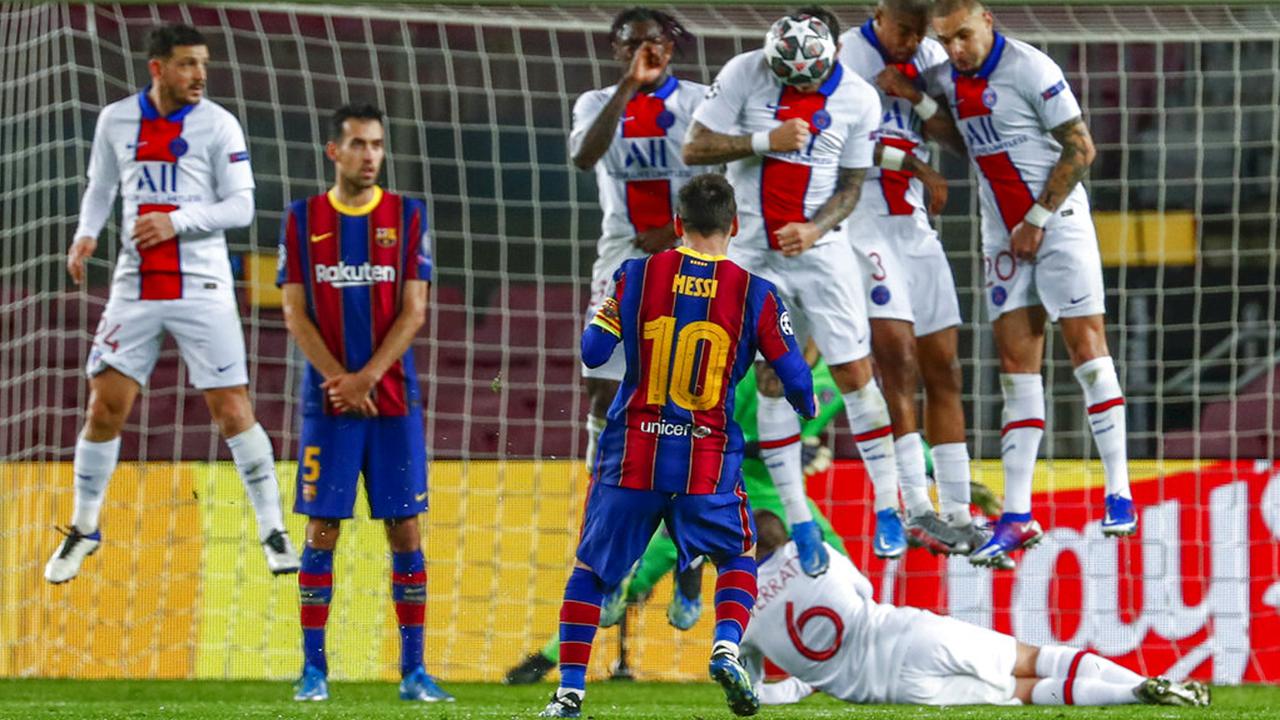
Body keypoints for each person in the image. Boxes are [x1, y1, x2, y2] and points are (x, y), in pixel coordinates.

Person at [538, 174, 815, 719]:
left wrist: (614, 311)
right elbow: (799, 384)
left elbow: (593, 352)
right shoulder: (755, 293)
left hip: (633, 452)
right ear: (734, 226)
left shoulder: (636, 274)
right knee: (737, 555)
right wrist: (800, 400)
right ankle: (725, 647)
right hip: (704, 459)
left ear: (679, 225)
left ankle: (570, 692)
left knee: (592, 571)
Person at [46, 23, 298, 584]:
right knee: (105, 406)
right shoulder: (115, 119)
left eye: (203, 64)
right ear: (157, 68)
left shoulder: (218, 124)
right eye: (187, 64)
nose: (200, 75)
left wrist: (175, 220)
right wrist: (87, 232)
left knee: (231, 409)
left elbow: (241, 209)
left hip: (202, 284)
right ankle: (85, 527)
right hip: (136, 283)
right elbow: (101, 185)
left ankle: (273, 528)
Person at [683, 7, 909, 572]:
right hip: (754, 251)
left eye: (807, 77)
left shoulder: (858, 98)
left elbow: (852, 187)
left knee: (857, 373)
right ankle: (800, 521)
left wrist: (815, 229)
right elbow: (694, 148)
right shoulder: (745, 71)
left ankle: (889, 507)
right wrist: (767, 138)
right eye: (787, 76)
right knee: (771, 379)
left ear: (830, 56)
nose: (797, 85)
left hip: (820, 251)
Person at [927, 0, 1137, 567]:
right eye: (945, 40)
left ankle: (1118, 490)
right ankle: (1017, 516)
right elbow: (966, 142)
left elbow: (1081, 148)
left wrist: (1037, 220)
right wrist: (920, 100)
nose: (955, 49)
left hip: (1058, 225)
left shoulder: (1031, 68)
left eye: (963, 36)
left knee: (1087, 352)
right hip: (1002, 240)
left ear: (987, 20)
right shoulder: (948, 75)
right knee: (1016, 371)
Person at [505, 359, 847, 686]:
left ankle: (856, 647)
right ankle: (549, 657)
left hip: (779, 492)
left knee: (837, 559)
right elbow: (712, 434)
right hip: (720, 482)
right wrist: (769, 449)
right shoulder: (747, 377)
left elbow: (874, 406)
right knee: (629, 579)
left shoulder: (834, 379)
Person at [278, 104, 450, 703]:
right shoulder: (302, 219)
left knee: (404, 529)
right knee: (323, 527)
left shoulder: (407, 215)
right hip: (328, 402)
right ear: (334, 151)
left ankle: (414, 673)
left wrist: (368, 376)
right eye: (358, 144)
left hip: (393, 400)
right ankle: (313, 672)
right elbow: (294, 311)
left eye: (377, 144)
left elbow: (415, 309)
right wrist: (340, 379)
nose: (370, 155)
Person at [740, 510, 1211, 708]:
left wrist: (808, 682)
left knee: (1022, 693)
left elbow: (751, 694)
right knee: (1033, 659)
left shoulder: (741, 611)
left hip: (897, 690)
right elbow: (863, 593)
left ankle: (1133, 695)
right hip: (909, 635)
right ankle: (1139, 687)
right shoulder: (816, 554)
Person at [836, 0, 990, 556]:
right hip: (864, 218)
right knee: (897, 358)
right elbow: (839, 146)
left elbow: (960, 139)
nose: (910, 42)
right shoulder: (847, 56)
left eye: (918, 32)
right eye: (903, 30)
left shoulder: (929, 55)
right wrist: (918, 167)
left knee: (943, 365)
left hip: (915, 224)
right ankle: (913, 505)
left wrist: (918, 97)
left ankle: (956, 510)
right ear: (880, 15)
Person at [570, 6, 706, 475]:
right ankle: (600, 455)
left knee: (685, 372)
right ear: (617, 50)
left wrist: (674, 229)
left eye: (654, 42)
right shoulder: (595, 103)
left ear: (671, 48)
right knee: (603, 366)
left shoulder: (700, 101)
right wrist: (630, 84)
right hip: (620, 255)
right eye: (632, 43)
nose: (645, 51)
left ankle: (682, 468)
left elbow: (726, 180)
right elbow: (584, 156)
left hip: (691, 250)